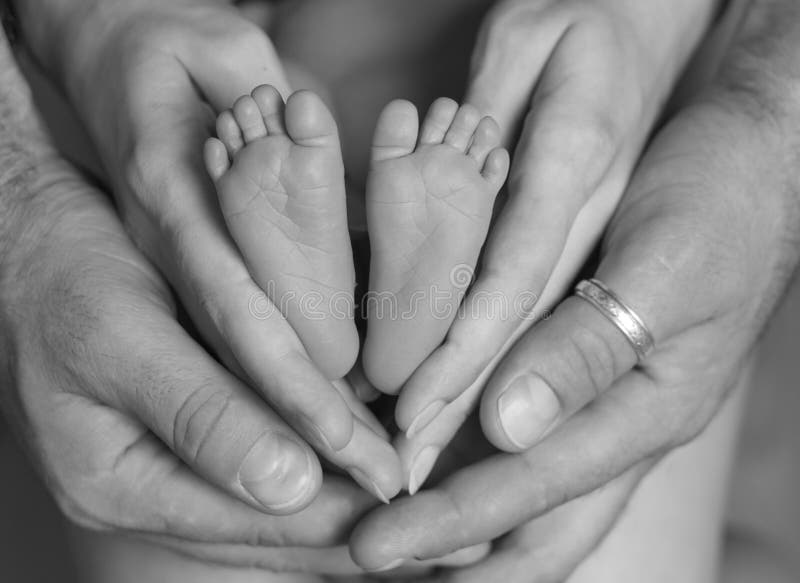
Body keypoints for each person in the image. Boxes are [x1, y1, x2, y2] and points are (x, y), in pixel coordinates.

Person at [2, 0, 796, 582]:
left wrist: (768, 111)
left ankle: (330, 314)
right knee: (585, 485)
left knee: (209, 354)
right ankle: (398, 316)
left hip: (241, 69)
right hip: (551, 170)